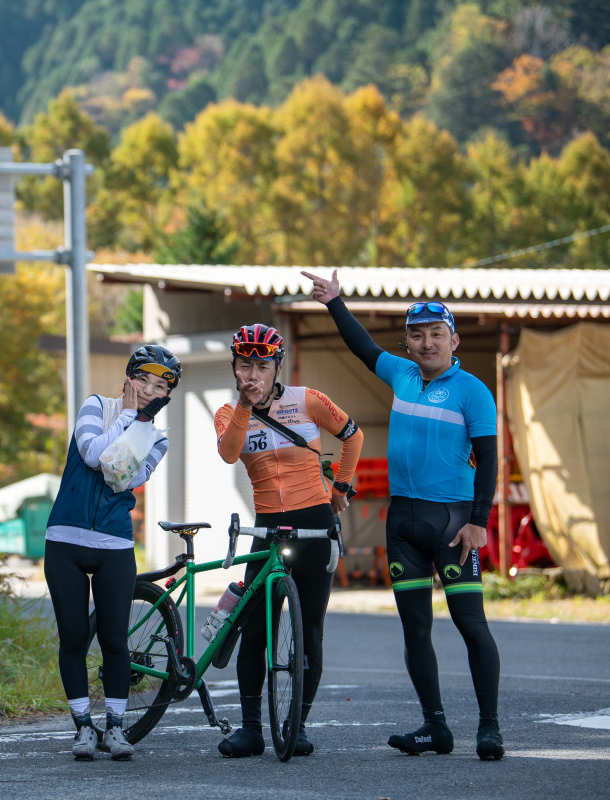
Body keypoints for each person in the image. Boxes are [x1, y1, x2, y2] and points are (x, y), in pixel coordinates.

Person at [301, 269, 504, 761]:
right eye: (417, 335)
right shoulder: (401, 374)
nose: (427, 342)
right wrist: (335, 303)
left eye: (437, 334)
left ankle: (490, 727)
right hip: (404, 524)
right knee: (415, 630)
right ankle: (435, 726)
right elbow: (363, 346)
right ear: (408, 343)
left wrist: (478, 521)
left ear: (453, 339)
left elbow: (490, 462)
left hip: (454, 523)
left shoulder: (472, 390)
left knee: (470, 624)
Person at [213, 323, 363, 758]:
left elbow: (354, 437)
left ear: (278, 366)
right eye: (245, 365)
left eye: (262, 365)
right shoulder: (227, 411)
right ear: (236, 368)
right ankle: (250, 729)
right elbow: (227, 452)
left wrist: (341, 490)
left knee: (309, 630)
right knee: (254, 629)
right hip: (266, 527)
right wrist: (245, 406)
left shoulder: (307, 400)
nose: (253, 374)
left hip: (314, 523)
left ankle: (296, 724)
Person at [44, 344, 181, 762]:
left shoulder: (157, 440)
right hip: (65, 538)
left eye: (159, 387)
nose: (148, 390)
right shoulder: (95, 405)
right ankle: (84, 727)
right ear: (127, 378)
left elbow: (118, 473)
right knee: (72, 639)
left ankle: (116, 729)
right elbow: (90, 452)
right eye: (143, 380)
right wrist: (126, 414)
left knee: (115, 641)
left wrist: (139, 424)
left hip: (115, 544)